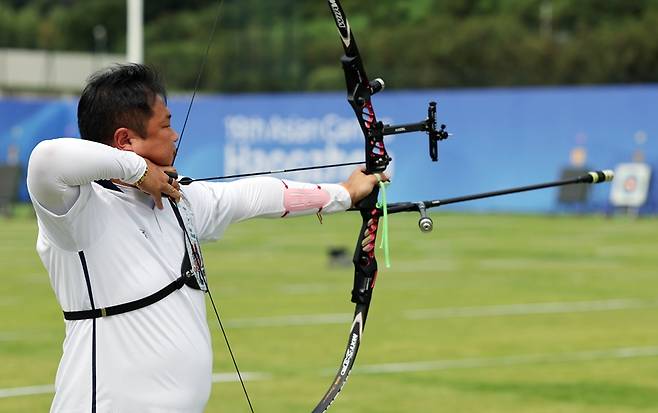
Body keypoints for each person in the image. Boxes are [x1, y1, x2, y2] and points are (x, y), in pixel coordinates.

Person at [26, 63, 384, 412]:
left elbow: (258, 195)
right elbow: (46, 160)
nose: (175, 135)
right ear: (126, 140)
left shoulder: (181, 200)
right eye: (165, 125)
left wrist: (344, 194)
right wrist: (138, 171)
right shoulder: (80, 209)